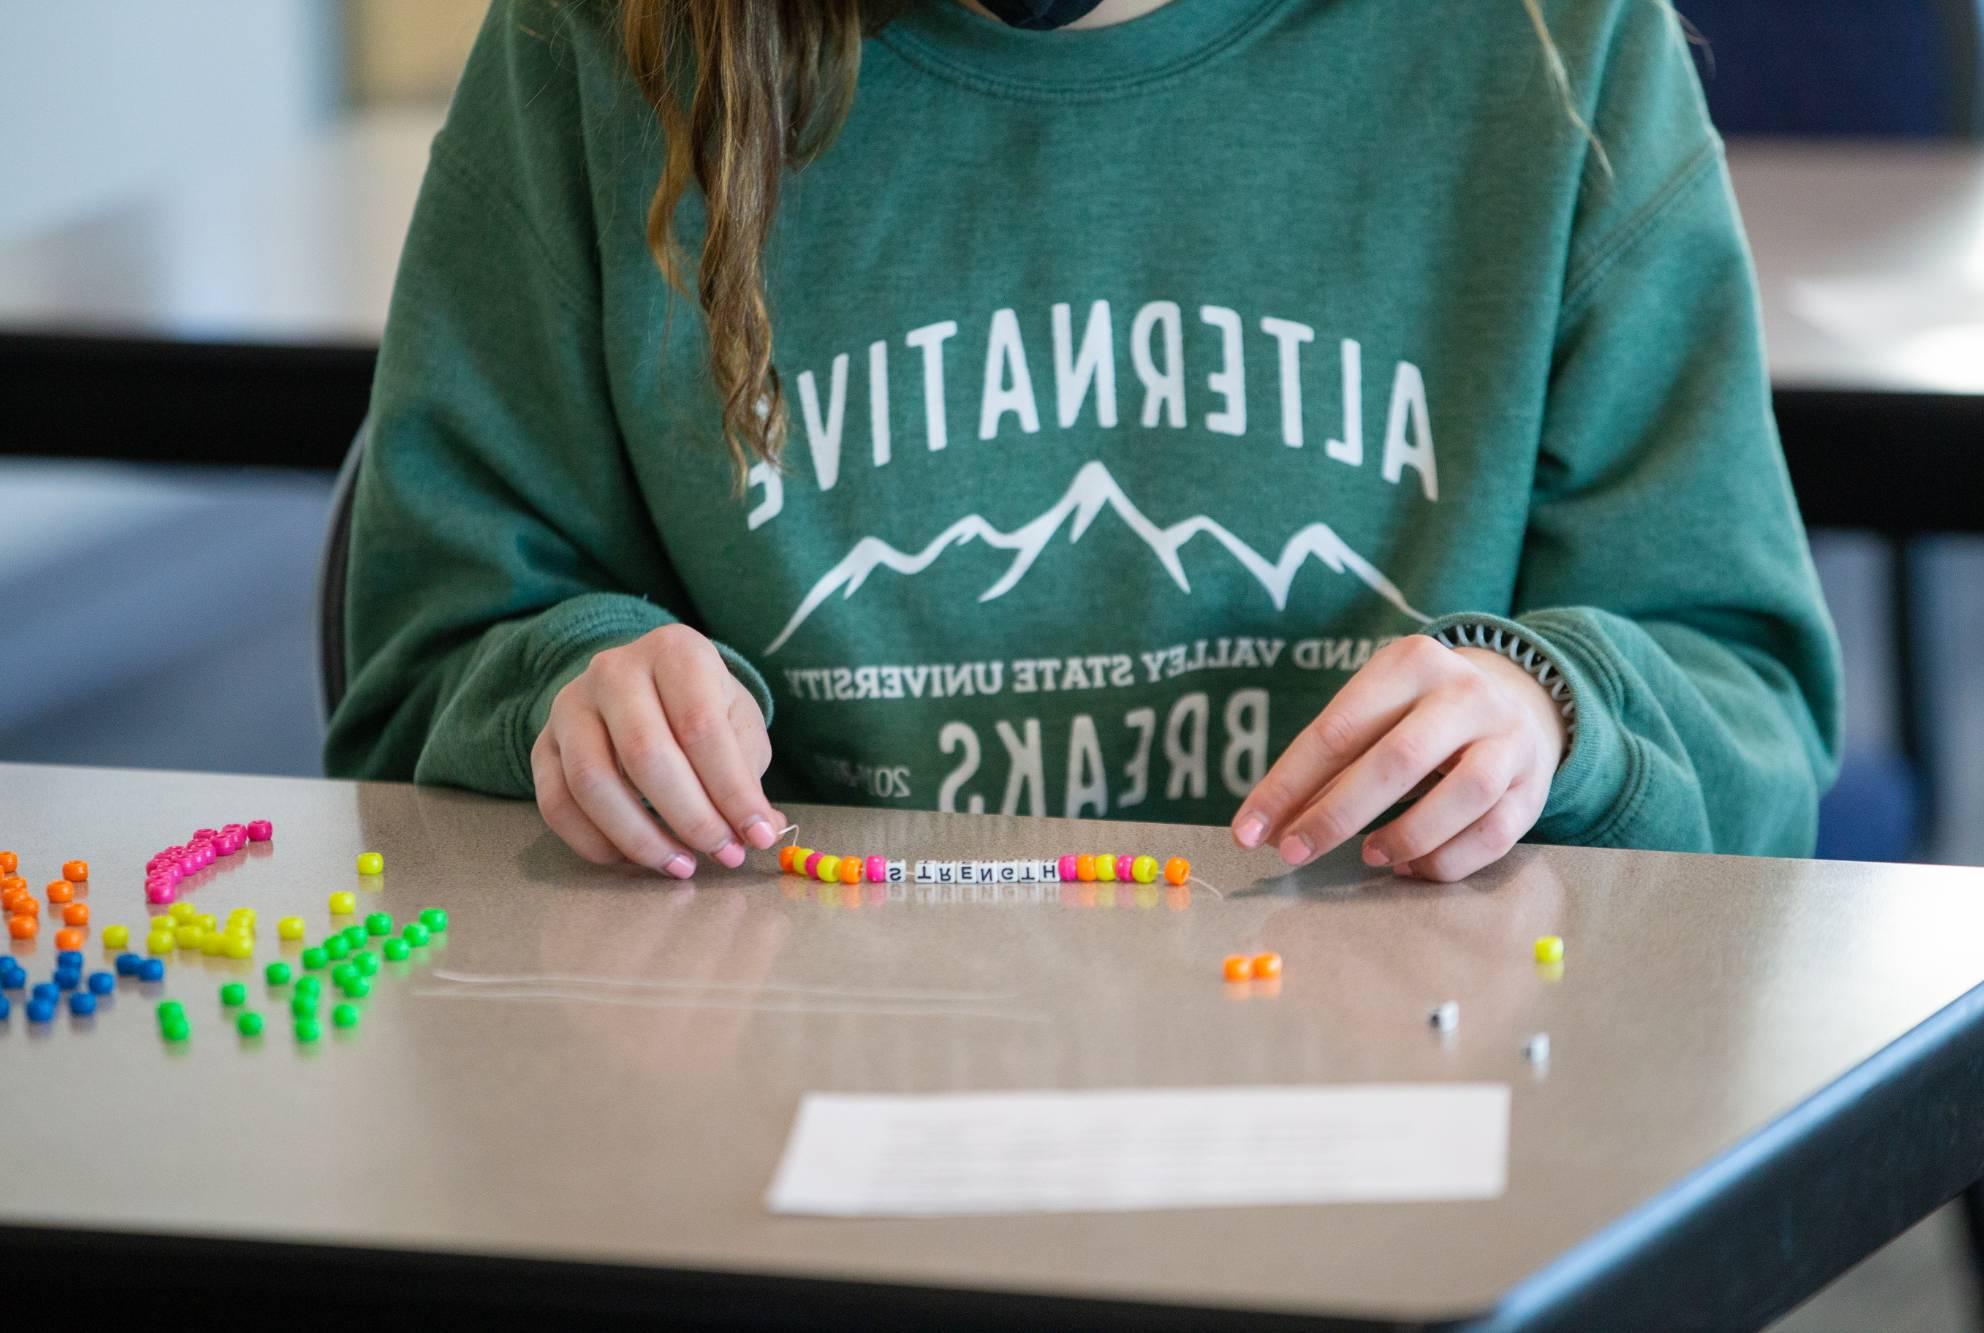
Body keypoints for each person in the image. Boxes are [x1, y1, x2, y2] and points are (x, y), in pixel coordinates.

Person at [326, 0, 1841, 883]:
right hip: (774, 1115)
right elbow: (420, 666)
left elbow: (1748, 704)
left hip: (1400, 1086)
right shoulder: (612, 47)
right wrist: (570, 689)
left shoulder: (1545, 49)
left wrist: (1552, 719)